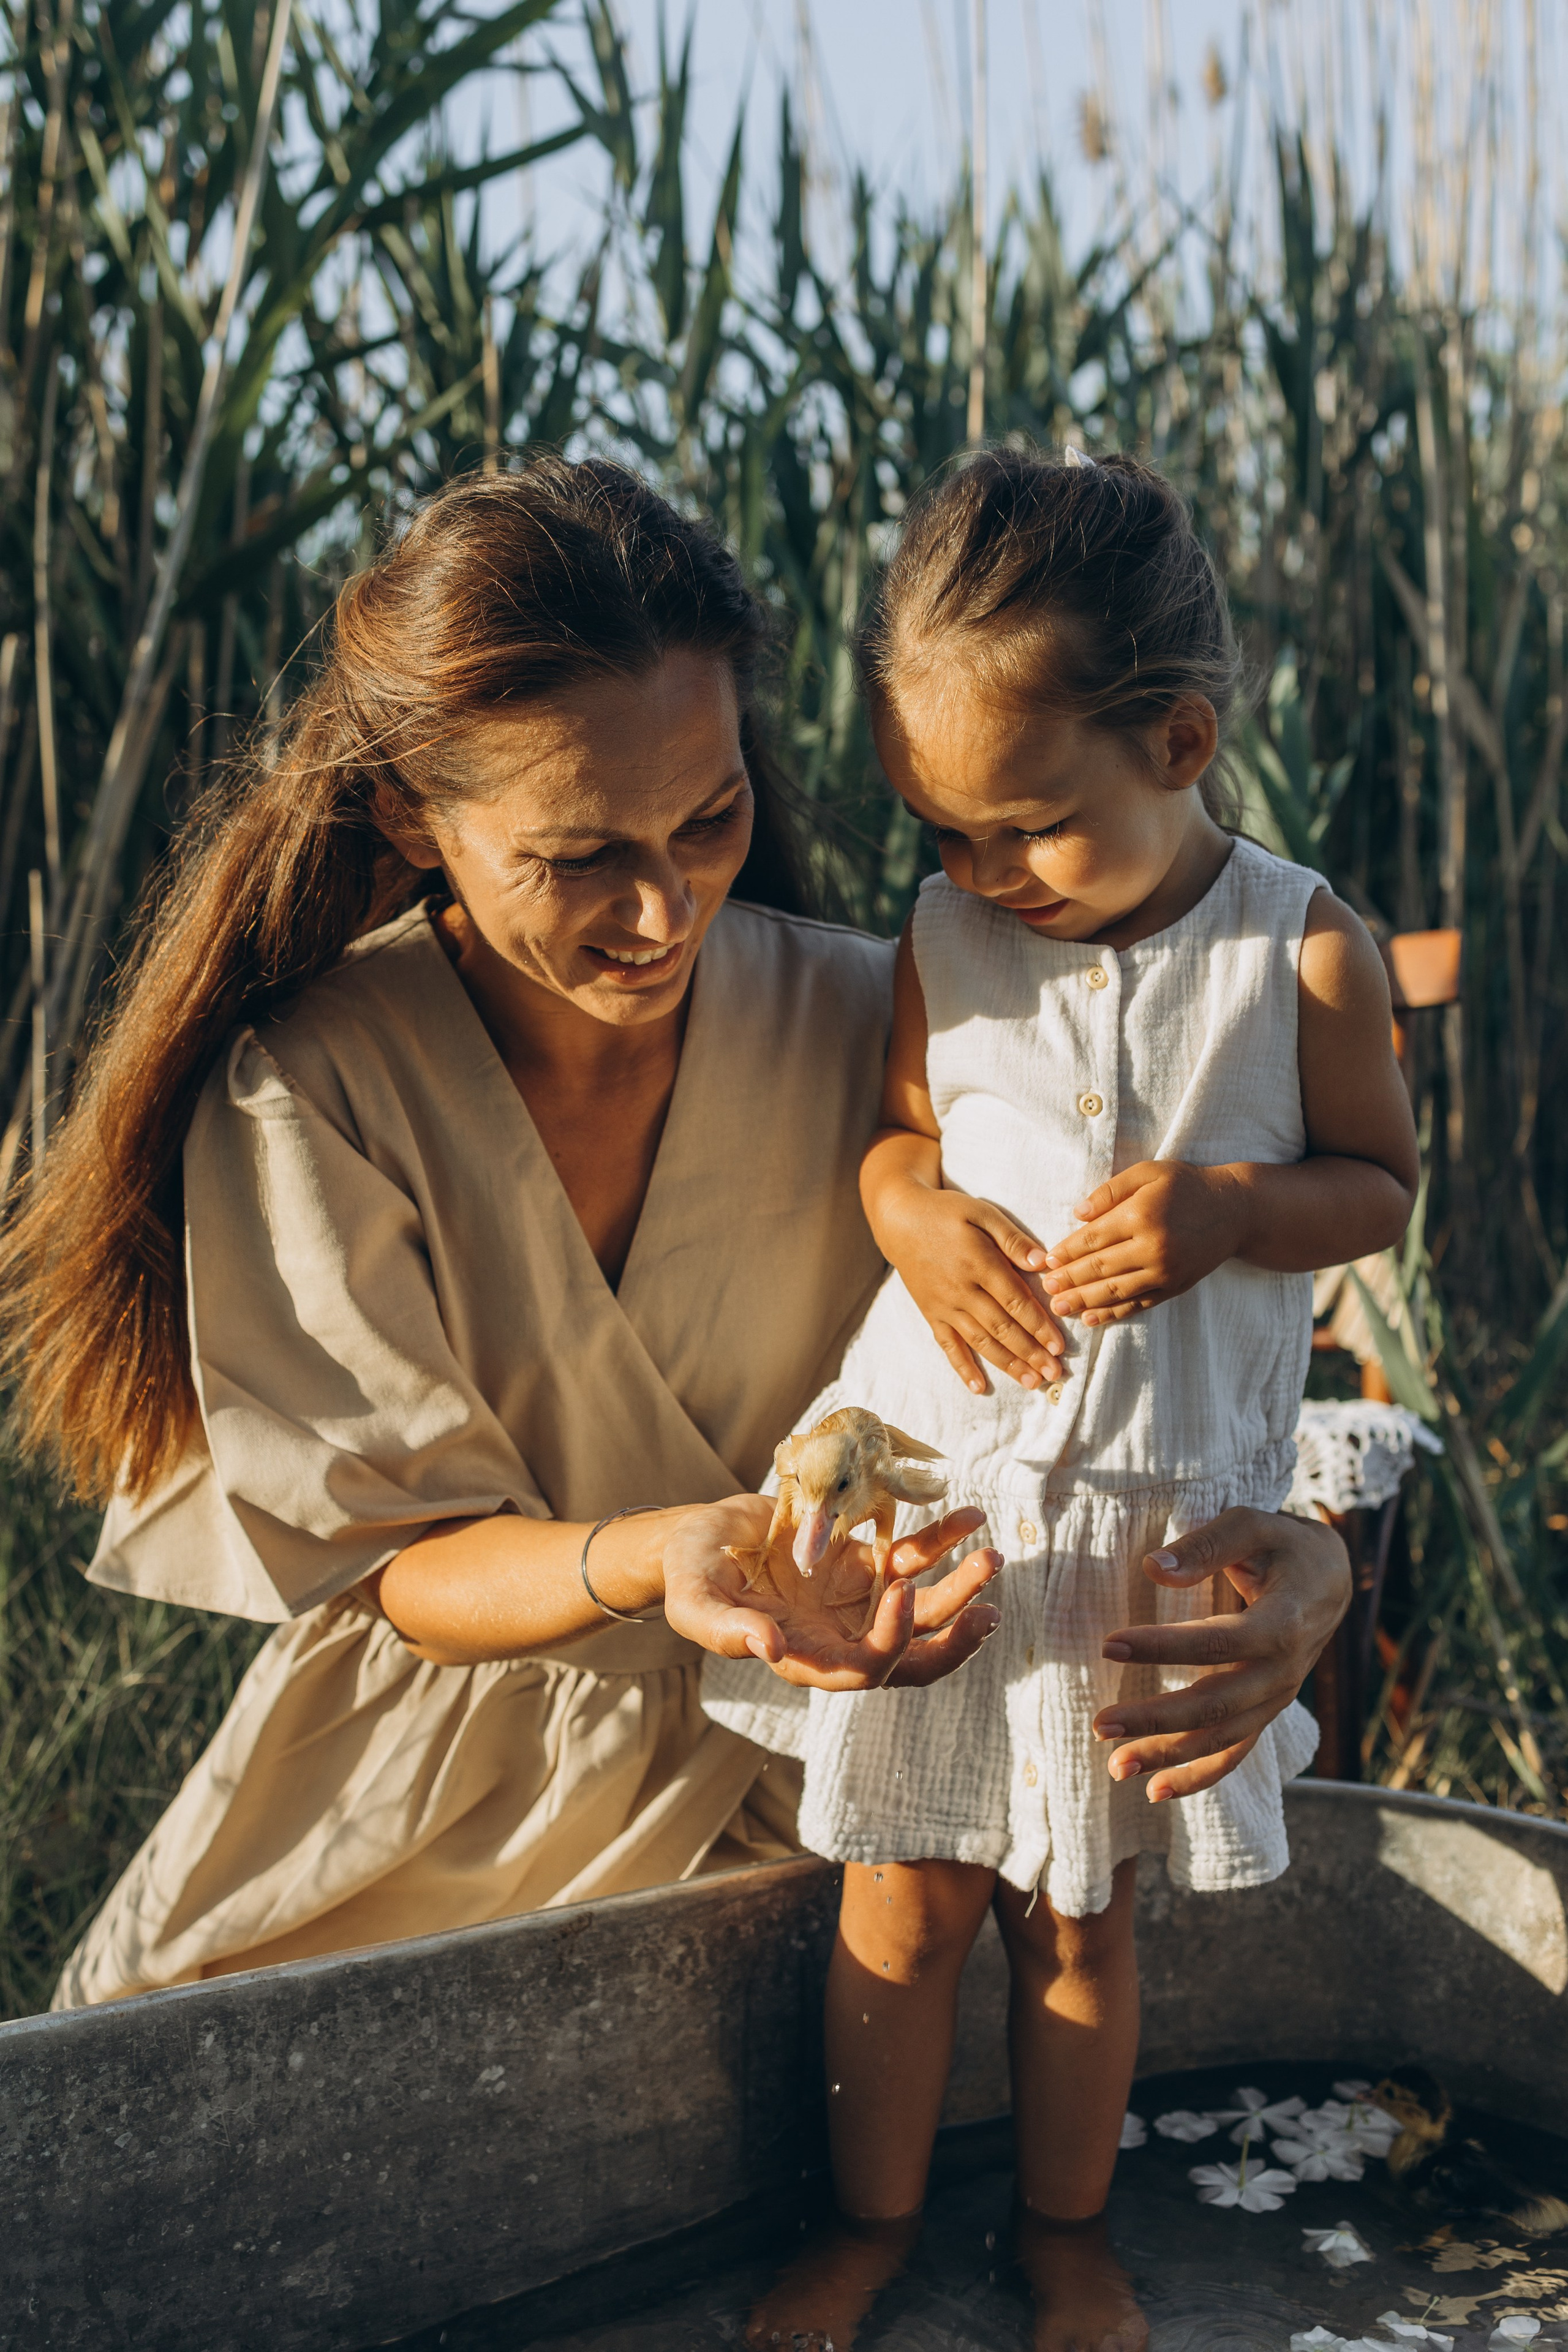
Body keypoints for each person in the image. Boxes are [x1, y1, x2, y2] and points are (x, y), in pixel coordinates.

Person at [0, 455, 1348, 2022]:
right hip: (425, 1811)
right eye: (579, 857)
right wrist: (659, 1559)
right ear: (409, 816)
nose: (664, 914)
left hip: (841, 1767)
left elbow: (1145, 1367)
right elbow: (393, 1561)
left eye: (709, 821)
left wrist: (1308, 1563)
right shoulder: (312, 1085)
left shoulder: (898, 1025)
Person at [706, 448, 1415, 2352]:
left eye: (1021, 829)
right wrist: (910, 1213)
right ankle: (869, 2228)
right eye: (939, 833)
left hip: (1143, 1524)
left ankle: (1067, 2230)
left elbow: (1378, 1187)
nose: (977, 874)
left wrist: (1235, 1210)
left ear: (1178, 743)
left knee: (1082, 1919)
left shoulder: (1299, 949)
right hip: (950, 1495)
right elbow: (901, 1142)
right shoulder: (949, 945)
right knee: (900, 1900)